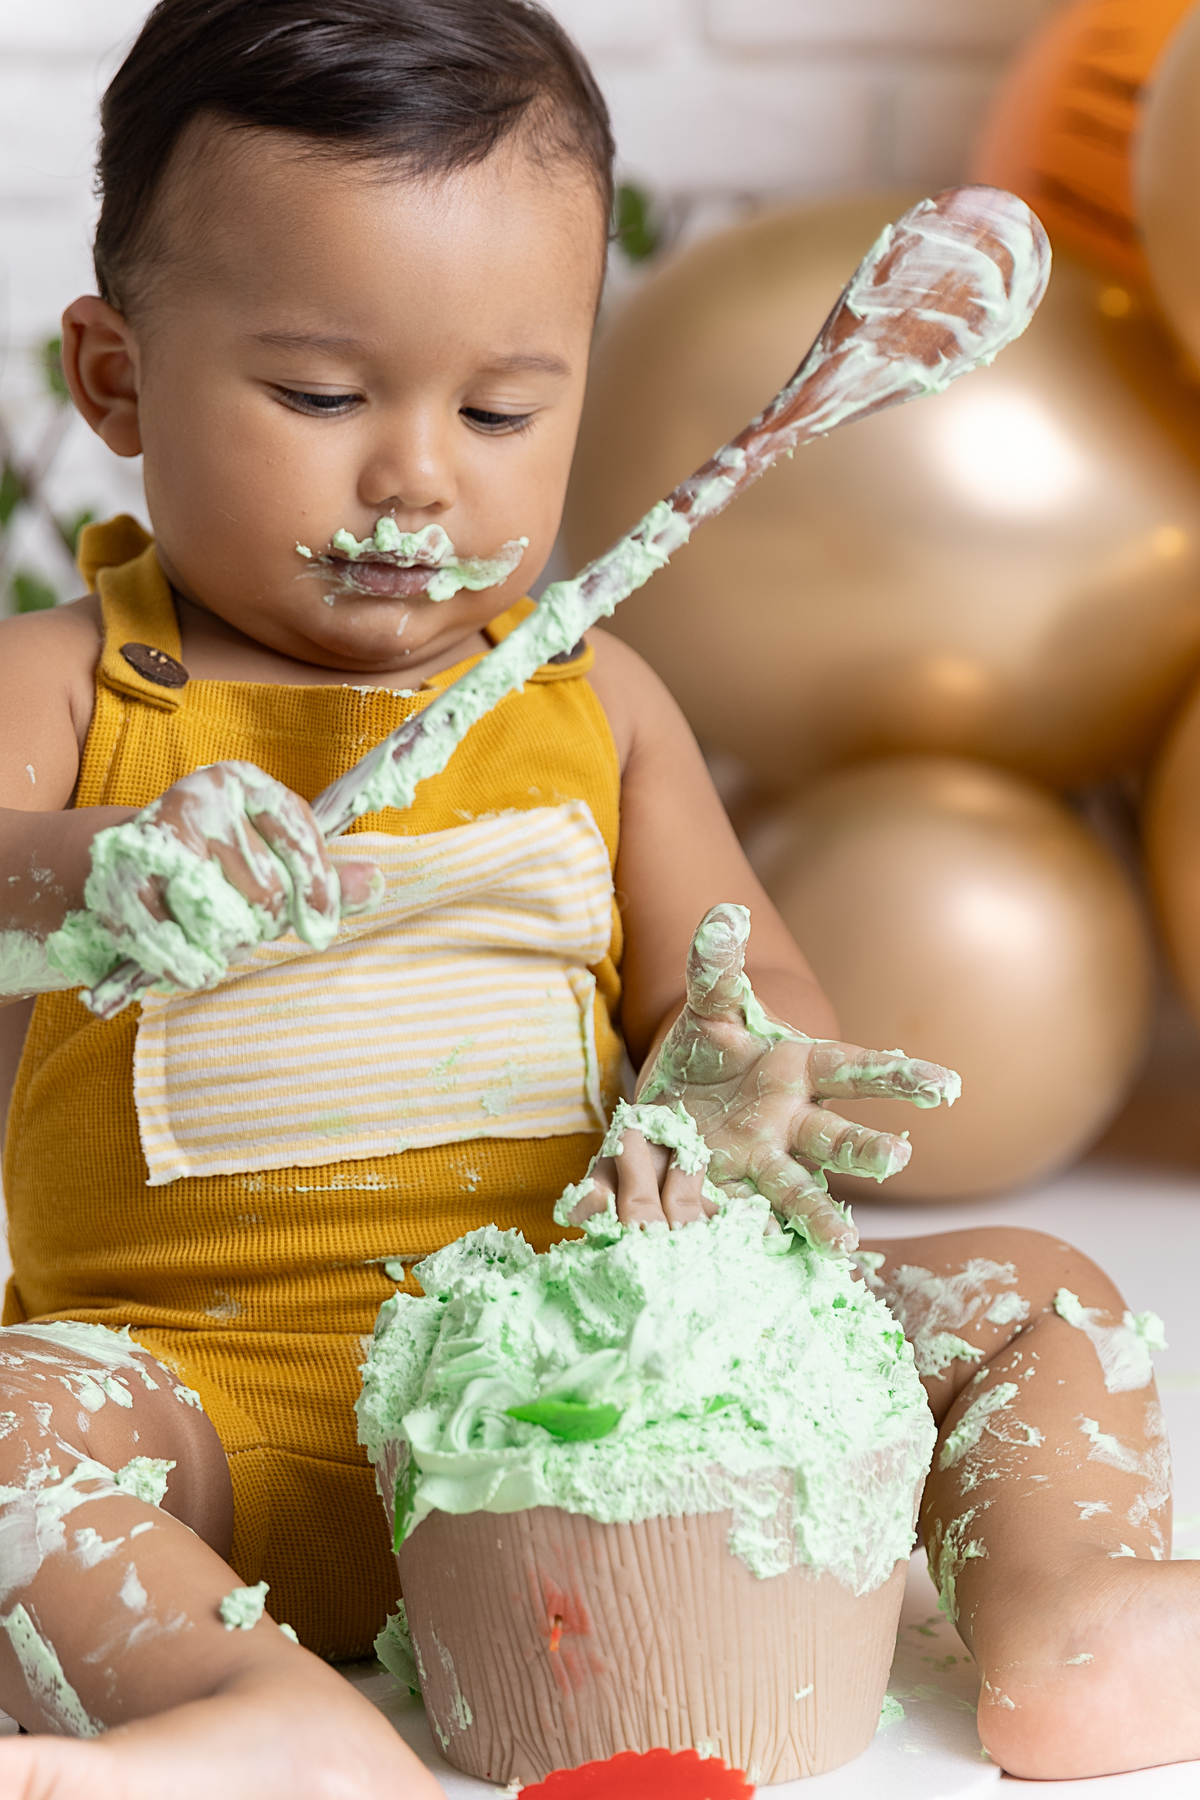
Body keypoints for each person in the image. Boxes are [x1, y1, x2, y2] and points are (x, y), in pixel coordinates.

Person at [0, 1, 1190, 1792]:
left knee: (1037, 1291)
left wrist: (737, 1078)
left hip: (602, 1394)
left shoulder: (598, 703)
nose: (416, 474)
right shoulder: (72, 690)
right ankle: (235, 1699)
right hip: (212, 1411)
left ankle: (1073, 1605)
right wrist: (93, 873)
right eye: (318, 396)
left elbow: (745, 987)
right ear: (115, 381)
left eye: (500, 408)